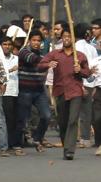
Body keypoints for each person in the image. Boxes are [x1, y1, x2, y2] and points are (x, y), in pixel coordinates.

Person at [38, 28, 90, 160]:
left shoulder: (80, 56)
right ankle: (65, 144)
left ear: (74, 39)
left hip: (76, 91)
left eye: (69, 36)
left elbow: (87, 73)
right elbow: (40, 65)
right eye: (64, 36)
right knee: (63, 122)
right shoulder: (55, 54)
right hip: (60, 90)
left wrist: (80, 71)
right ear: (62, 39)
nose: (67, 39)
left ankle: (70, 150)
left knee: (73, 120)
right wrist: (48, 64)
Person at [16, 32, 52, 152]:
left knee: (46, 116)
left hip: (39, 90)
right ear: (29, 41)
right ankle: (18, 145)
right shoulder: (24, 52)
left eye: (38, 41)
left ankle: (37, 138)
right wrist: (47, 61)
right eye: (34, 40)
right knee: (23, 118)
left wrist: (48, 60)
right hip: (25, 89)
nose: (36, 43)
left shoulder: (43, 55)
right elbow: (32, 59)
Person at [1, 33, 24, 155]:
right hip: (5, 92)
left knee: (16, 119)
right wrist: (10, 70)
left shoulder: (16, 58)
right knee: (8, 119)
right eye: (4, 44)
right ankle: (8, 144)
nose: (7, 46)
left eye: (9, 44)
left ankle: (16, 143)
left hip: (16, 91)